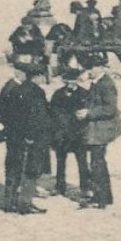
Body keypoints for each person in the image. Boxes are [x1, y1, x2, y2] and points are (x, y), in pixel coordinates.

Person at [0, 68, 52, 214]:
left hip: (14, 137)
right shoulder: (36, 92)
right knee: (30, 170)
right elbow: (35, 117)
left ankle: (9, 202)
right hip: (30, 138)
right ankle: (25, 204)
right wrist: (31, 136)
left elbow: (7, 114)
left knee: (13, 168)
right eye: (42, 76)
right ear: (36, 77)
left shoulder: (15, 90)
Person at [76, 68, 121, 208]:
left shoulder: (106, 84)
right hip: (98, 129)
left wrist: (89, 113)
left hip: (102, 130)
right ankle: (104, 197)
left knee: (97, 164)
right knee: (98, 162)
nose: (89, 72)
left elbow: (110, 109)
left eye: (91, 69)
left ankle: (101, 199)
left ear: (99, 68)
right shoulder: (97, 82)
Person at [48, 68, 90, 197]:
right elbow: (52, 112)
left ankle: (85, 188)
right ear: (64, 81)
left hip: (78, 135)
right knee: (60, 162)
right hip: (62, 135)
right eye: (68, 81)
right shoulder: (58, 94)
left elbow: (86, 114)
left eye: (74, 81)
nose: (71, 84)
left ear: (77, 81)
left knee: (82, 162)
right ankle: (60, 186)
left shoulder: (84, 94)